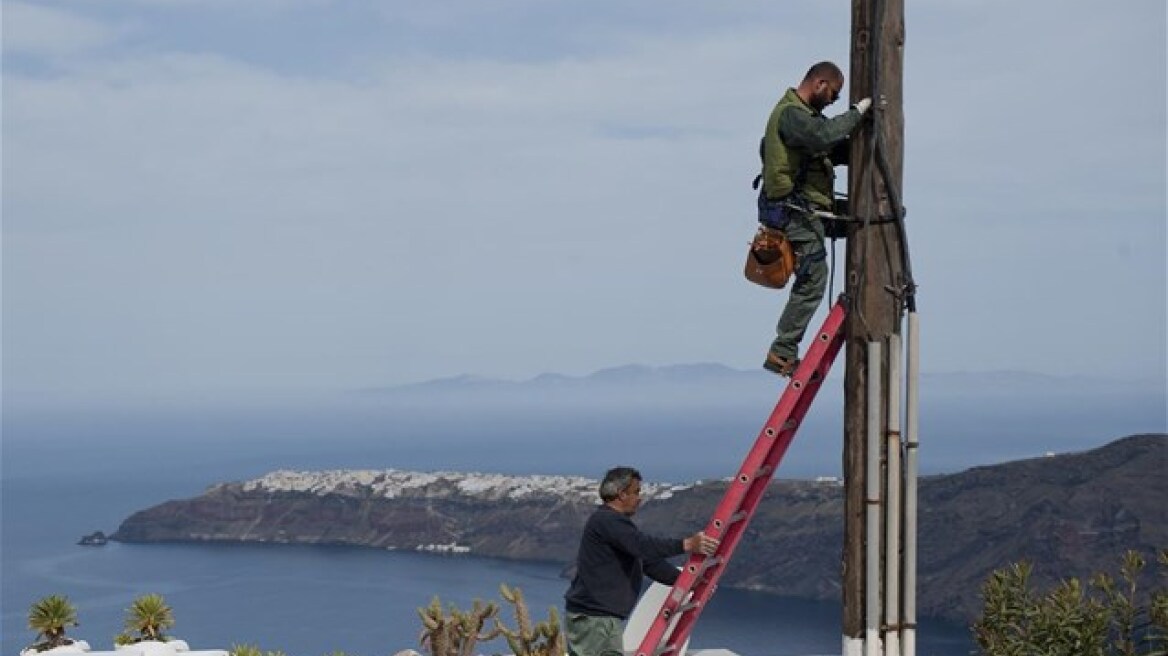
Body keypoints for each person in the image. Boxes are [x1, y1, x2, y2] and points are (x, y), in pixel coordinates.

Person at [757, 61, 872, 376]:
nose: (834, 101)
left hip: (807, 208)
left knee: (867, 219)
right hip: (795, 212)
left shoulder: (803, 120)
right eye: (833, 93)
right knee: (814, 277)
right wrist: (857, 113)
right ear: (820, 83)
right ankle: (782, 352)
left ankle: (784, 349)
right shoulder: (792, 116)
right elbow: (824, 136)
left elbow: (831, 147)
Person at [563, 466, 719, 656]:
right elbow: (643, 546)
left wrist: (687, 582)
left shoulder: (613, 525)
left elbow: (647, 561)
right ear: (622, 494)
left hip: (596, 618)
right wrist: (686, 544)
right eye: (636, 492)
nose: (640, 498)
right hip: (595, 619)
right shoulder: (607, 521)